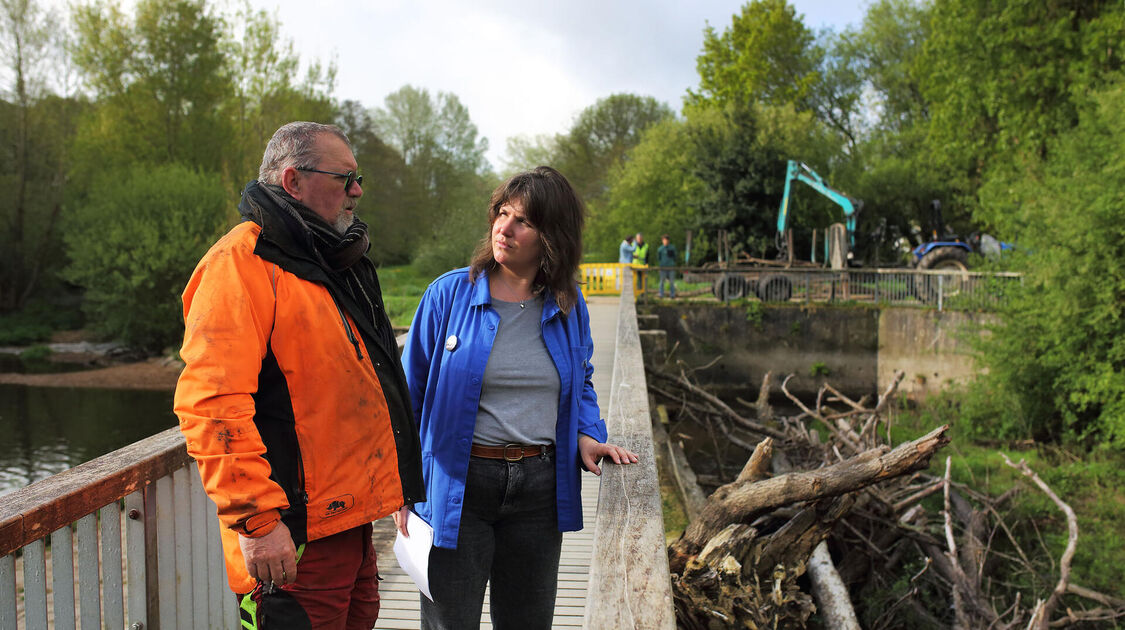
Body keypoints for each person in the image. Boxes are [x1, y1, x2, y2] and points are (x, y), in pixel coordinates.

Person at [174, 121, 424, 629]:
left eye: (359, 178)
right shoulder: (240, 264)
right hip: (292, 536)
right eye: (345, 177)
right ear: (293, 181)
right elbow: (211, 405)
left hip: (349, 520)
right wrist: (258, 523)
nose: (358, 190)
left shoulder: (332, 259)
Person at [397, 166, 639, 629]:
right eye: (501, 213)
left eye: (523, 221)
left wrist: (588, 432)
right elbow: (406, 397)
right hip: (456, 487)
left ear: (552, 236)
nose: (503, 229)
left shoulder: (568, 304)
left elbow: (581, 378)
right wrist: (400, 485)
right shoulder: (447, 295)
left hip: (539, 490)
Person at [657, 233, 678, 298]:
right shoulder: (660, 249)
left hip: (671, 267)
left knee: (672, 282)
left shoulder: (672, 248)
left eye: (666, 240)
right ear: (662, 240)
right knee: (661, 281)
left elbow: (675, 257)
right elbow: (658, 258)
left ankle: (672, 294)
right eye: (664, 240)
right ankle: (661, 294)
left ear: (668, 241)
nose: (665, 241)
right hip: (663, 267)